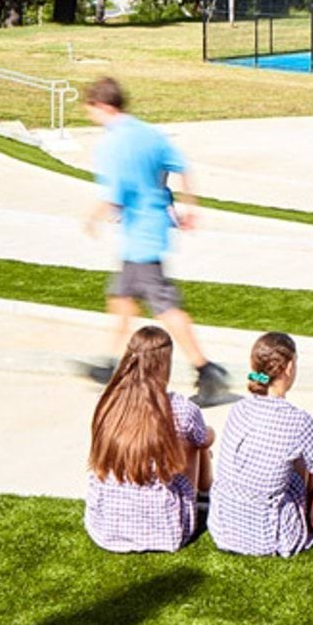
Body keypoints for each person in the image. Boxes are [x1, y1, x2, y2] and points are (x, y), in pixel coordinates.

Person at [84, 76, 230, 407]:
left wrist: (93, 218)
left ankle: (207, 370)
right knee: (121, 298)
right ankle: (109, 365)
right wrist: (189, 208)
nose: (91, 117)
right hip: (151, 230)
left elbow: (113, 194)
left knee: (164, 307)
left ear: (103, 106)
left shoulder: (111, 144)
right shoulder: (149, 133)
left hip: (140, 237)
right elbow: (181, 166)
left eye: (91, 110)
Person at [210, 331, 313, 558]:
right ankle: (310, 516)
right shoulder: (298, 421)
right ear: (290, 367)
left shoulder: (239, 409)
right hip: (268, 536)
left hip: (224, 528)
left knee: (296, 452)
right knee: (305, 455)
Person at [84, 325, 214, 553]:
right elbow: (204, 439)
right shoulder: (180, 408)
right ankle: (204, 496)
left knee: (187, 440)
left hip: (105, 527)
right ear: (165, 363)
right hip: (166, 531)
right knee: (197, 444)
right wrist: (208, 438)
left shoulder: (107, 402)